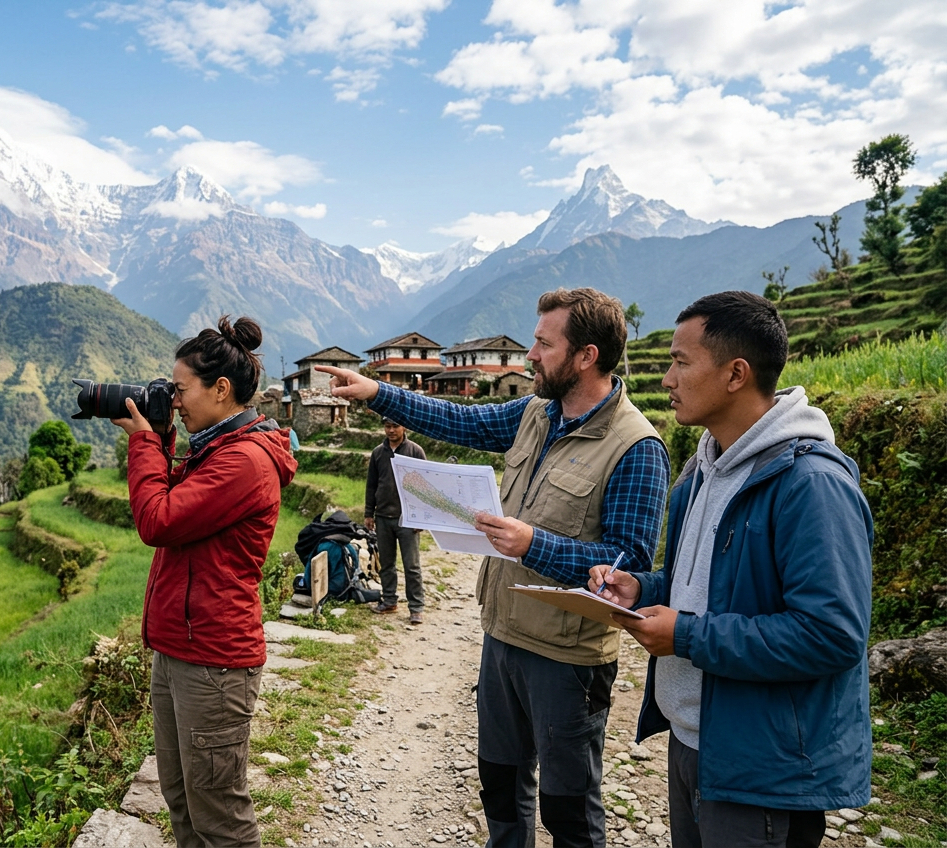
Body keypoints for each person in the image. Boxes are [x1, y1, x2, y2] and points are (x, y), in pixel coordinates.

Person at [317, 287, 670, 848]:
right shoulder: (536, 413)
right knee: (501, 790)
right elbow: (460, 421)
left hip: (568, 659)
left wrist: (534, 544)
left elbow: (626, 566)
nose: (530, 355)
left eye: (542, 343)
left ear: (586, 356)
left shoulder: (636, 447)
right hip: (502, 635)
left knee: (568, 810)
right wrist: (378, 393)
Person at [589, 291, 872, 848]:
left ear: (736, 373)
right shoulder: (704, 470)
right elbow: (710, 585)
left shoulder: (811, 485)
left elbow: (832, 635)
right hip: (698, 742)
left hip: (762, 765)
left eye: (680, 361)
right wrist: (642, 587)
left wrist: (687, 636)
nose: (666, 378)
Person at [112, 315, 298, 848]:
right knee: (181, 800)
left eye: (179, 390)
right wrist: (164, 440)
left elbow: (159, 521)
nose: (173, 401)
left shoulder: (243, 461)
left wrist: (147, 445)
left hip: (214, 660)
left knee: (218, 813)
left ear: (221, 390)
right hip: (178, 649)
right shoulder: (212, 447)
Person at [365, 417, 427, 624]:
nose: (391, 430)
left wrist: (421, 517)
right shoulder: (378, 453)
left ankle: (416, 607)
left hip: (407, 519)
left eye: (395, 426)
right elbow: (372, 485)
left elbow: (424, 488)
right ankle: (389, 600)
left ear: (404, 427)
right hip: (383, 517)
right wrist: (368, 513)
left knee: (412, 565)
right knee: (387, 564)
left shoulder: (415, 452)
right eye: (387, 426)